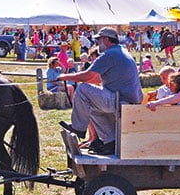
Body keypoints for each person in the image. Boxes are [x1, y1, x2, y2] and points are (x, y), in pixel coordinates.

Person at [57, 27, 143, 156]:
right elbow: (96, 77)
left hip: (120, 99)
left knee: (82, 89)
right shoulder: (121, 52)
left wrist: (64, 77)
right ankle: (110, 142)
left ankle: (78, 128)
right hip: (127, 99)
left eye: (99, 40)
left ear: (107, 40)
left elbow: (87, 77)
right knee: (90, 105)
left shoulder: (109, 54)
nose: (97, 43)